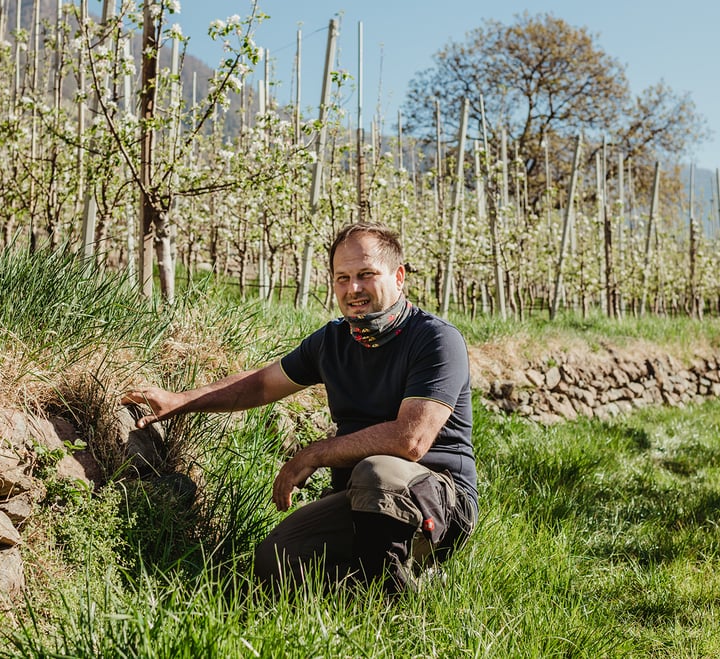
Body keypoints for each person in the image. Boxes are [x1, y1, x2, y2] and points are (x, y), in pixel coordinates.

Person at [120, 222, 477, 594]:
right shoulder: (333, 342)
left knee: (377, 472)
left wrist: (314, 454)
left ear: (399, 277)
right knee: (276, 559)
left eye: (366, 275)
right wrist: (182, 400)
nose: (353, 289)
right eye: (342, 278)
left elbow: (411, 441)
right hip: (362, 498)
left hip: (441, 501)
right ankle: (386, 580)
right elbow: (259, 384)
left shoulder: (436, 340)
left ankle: (391, 604)